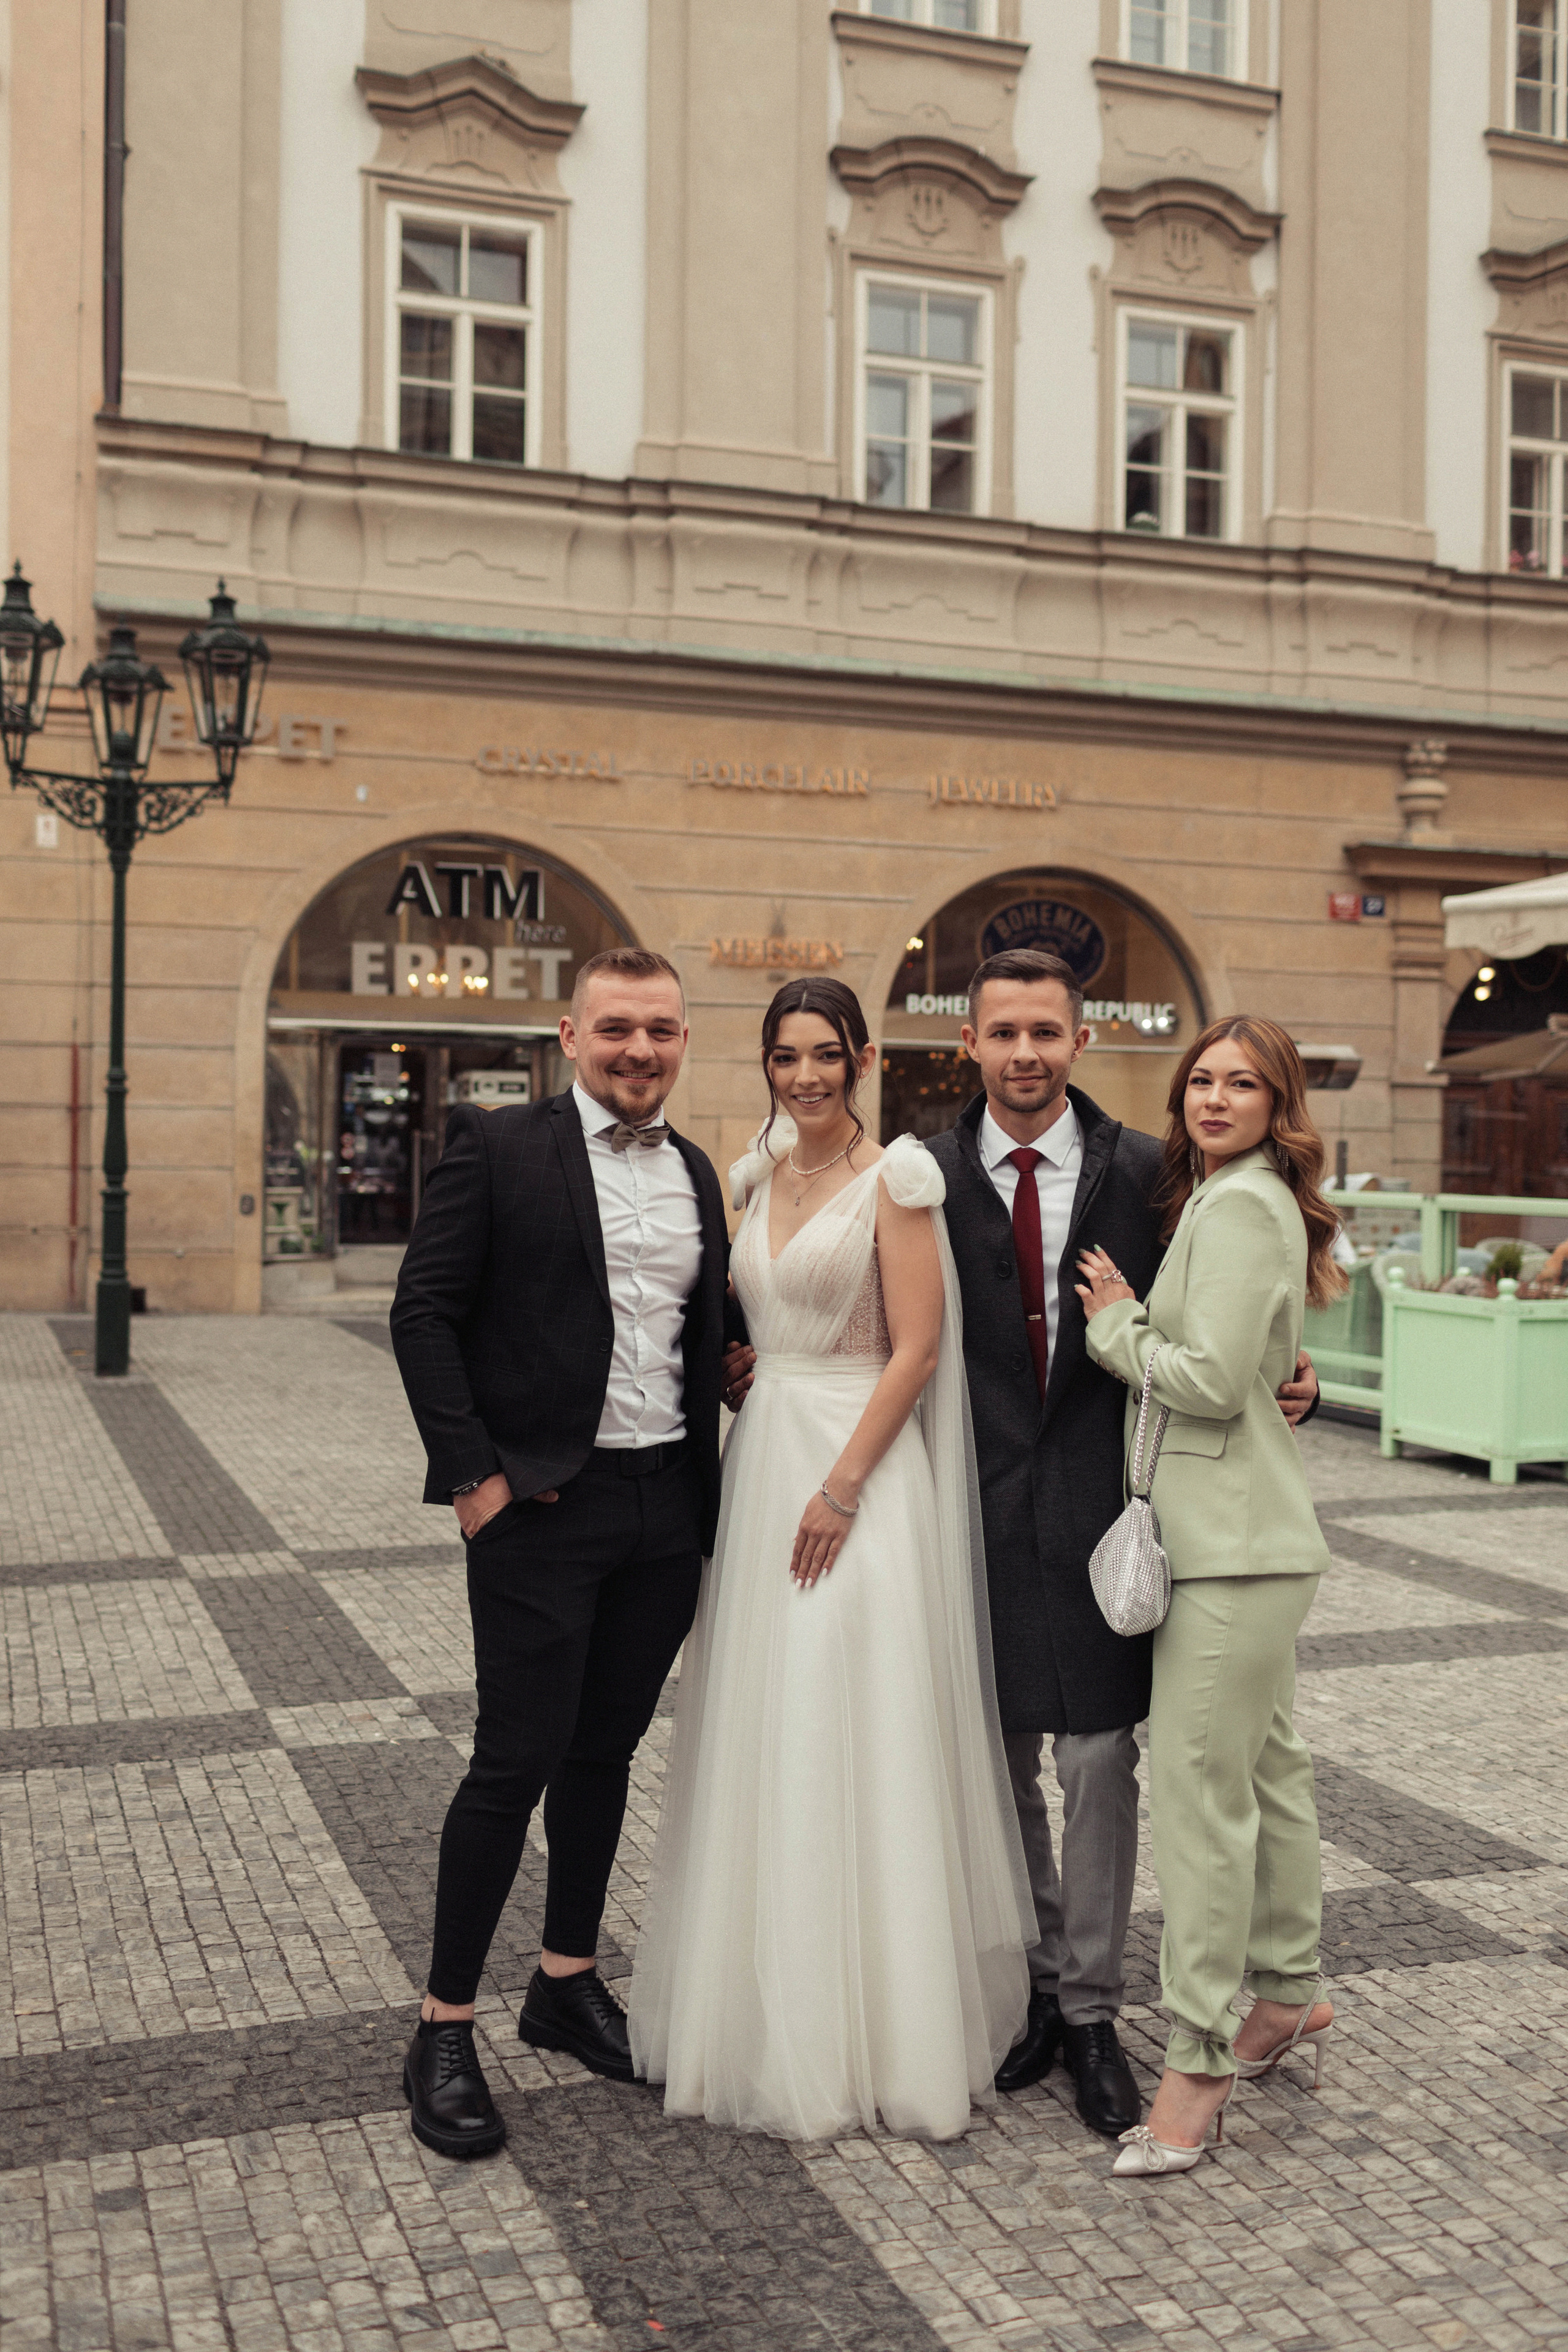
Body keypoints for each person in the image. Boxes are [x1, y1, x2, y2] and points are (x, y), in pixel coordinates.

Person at [920, 951, 1321, 2140]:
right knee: (999, 1765)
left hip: (1122, 1523)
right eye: (1003, 1032)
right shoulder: (921, 1174)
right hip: (973, 1512)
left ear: (1078, 1042)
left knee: (1099, 1766)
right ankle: (1040, 1989)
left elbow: (1224, 1323)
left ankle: (1094, 2012)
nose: (1024, 1052)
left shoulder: (1160, 1175)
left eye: (1046, 1030)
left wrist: (1279, 1380)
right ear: (972, 1044)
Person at [628, 976, 1033, 2143]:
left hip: (856, 1474)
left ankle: (885, 2031)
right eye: (784, 1055)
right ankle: (757, 2012)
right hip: (763, 1468)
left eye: (825, 1055)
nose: (804, 1075)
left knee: (853, 1722)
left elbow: (917, 1350)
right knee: (769, 1725)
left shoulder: (898, 1179)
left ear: (861, 1057)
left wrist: (843, 1488)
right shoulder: (753, 1175)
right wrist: (734, 1369)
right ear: (764, 1063)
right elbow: (735, 1318)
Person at [389, 948, 728, 2160]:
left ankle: (565, 1980)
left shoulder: (695, 1170)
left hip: (663, 1510)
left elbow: (704, 1329)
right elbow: (420, 1308)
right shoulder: (498, 1147)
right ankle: (442, 2023)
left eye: (662, 1030)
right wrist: (474, 1479)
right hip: (539, 1507)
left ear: (684, 1041)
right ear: (572, 1034)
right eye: (619, 1027)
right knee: (511, 1761)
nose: (641, 1049)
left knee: (604, 1752)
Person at [1079, 1015, 1343, 2177]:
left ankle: (1195, 2065)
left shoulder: (1239, 1206)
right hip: (1250, 1542)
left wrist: (1116, 1324)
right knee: (1268, 1773)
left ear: (1279, 1104)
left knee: (1199, 1800)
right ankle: (1286, 1994)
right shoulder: (1243, 1198)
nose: (1215, 1098)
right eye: (1202, 1080)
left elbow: (1213, 1380)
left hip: (1230, 1551)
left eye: (1244, 1084)